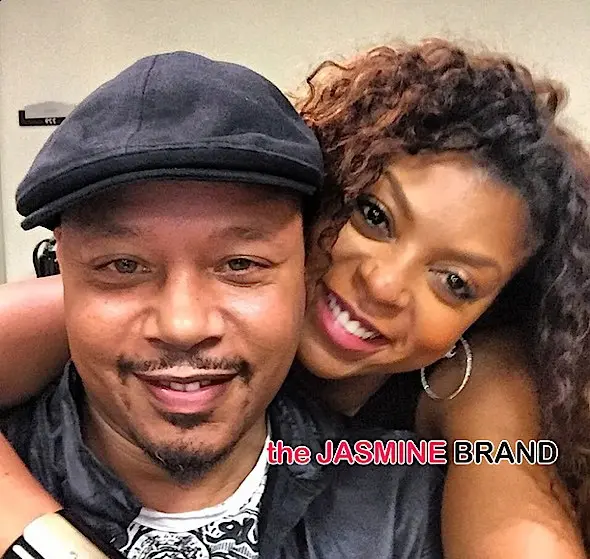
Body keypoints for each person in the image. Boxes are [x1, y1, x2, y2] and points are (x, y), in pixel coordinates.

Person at [0, 39, 589, 557]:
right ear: (324, 201)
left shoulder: (460, 420)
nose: (384, 285)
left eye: (455, 281)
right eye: (375, 216)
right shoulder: (73, 344)